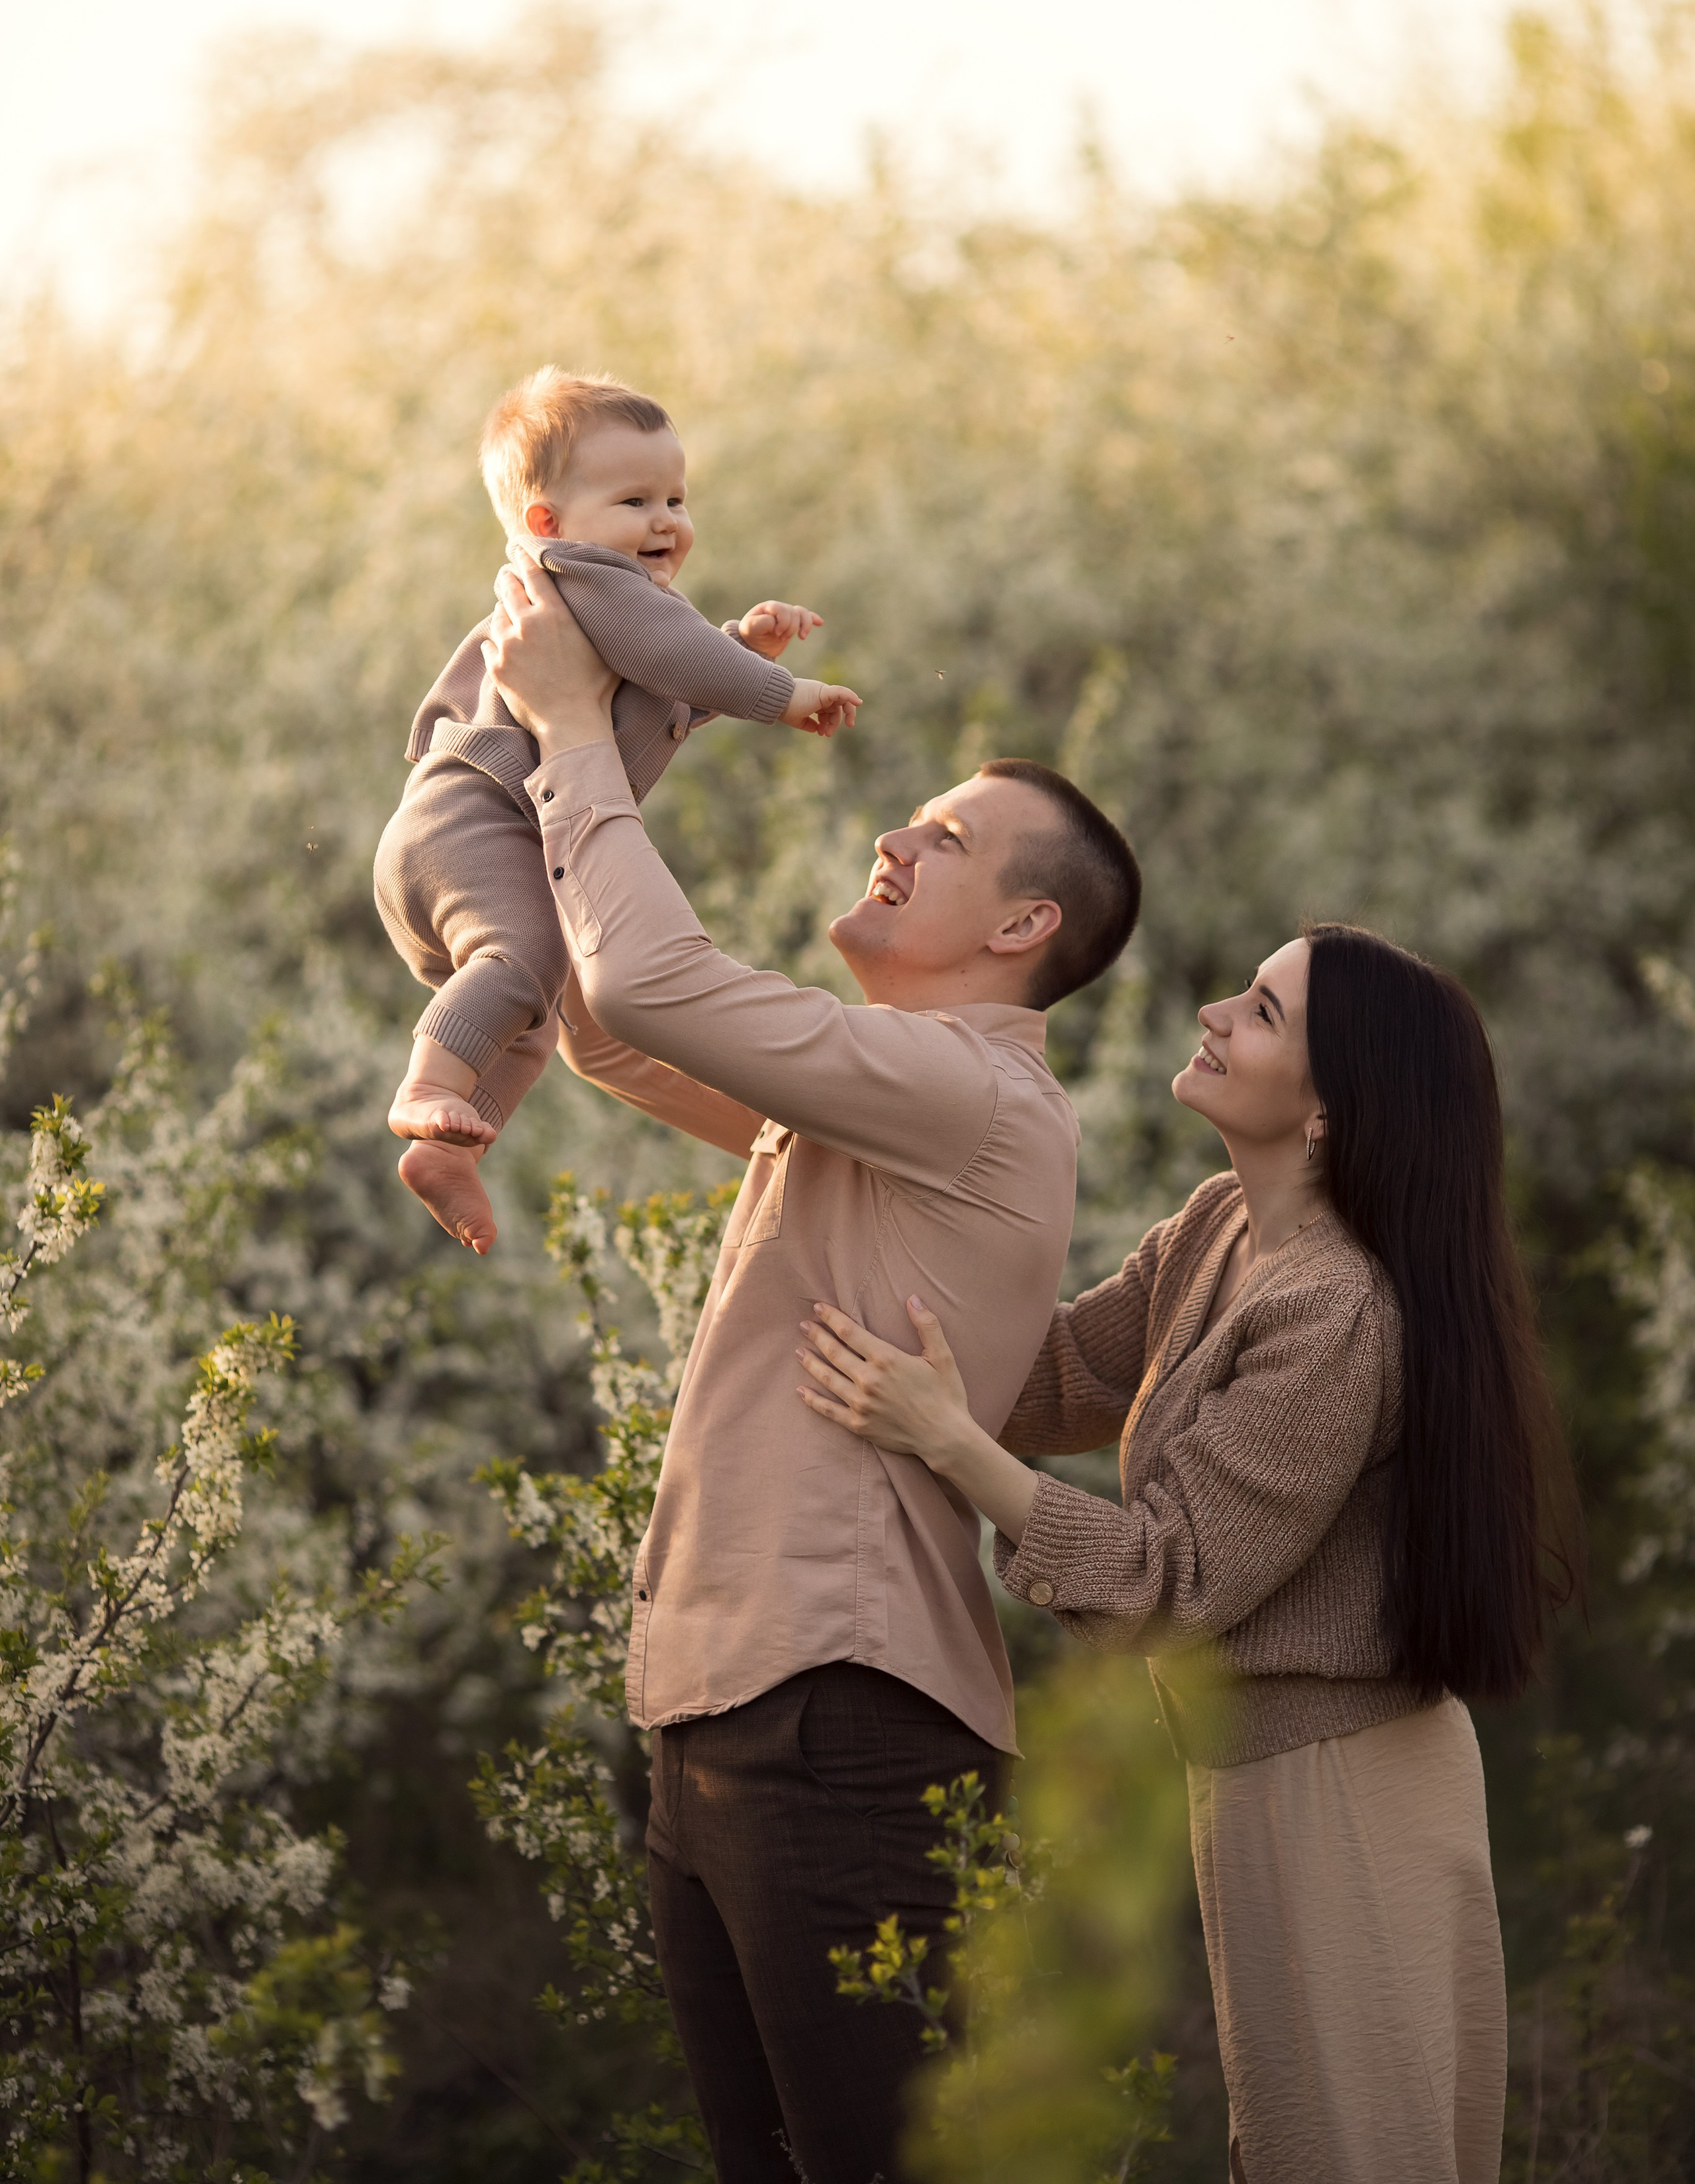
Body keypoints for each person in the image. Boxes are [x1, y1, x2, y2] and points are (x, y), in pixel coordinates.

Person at [481, 548, 1141, 2184]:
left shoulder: (969, 1095)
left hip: (840, 1718)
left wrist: (571, 731)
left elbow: (644, 977)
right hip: (718, 1708)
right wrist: (637, 717)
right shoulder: (877, 1091)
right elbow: (607, 1027)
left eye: (944, 837)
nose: (891, 836)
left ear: (1024, 924)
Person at [797, 923, 1580, 2184]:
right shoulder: (1222, 1227)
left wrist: (950, 1447)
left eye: (1263, 1012)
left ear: (1330, 1111)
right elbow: (1055, 1375)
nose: (1215, 1011)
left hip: (1345, 1790)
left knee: (1348, 2157)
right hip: (1266, 1775)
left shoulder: (1335, 1310)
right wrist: (871, 1242)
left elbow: (1175, 1582)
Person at [373, 367, 860, 1254]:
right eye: (634, 499)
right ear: (546, 524)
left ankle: (450, 1144)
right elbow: (675, 656)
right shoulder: (583, 577)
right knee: (518, 962)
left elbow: (666, 684)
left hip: (477, 831)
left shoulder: (600, 604)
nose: (667, 521)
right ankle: (424, 1087)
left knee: (531, 1002)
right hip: (478, 822)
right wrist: (781, 691)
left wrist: (742, 645)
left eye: (676, 496)